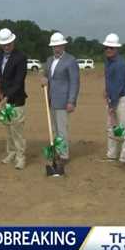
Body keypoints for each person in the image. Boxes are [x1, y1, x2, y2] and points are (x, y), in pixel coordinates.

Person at [41, 32, 80, 164]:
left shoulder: (70, 60)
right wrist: (44, 79)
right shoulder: (49, 60)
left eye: (58, 46)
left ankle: (64, 155)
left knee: (62, 130)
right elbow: (46, 75)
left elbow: (75, 82)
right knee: (54, 129)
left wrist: (71, 101)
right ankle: (57, 152)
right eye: (54, 46)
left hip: (63, 101)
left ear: (63, 45)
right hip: (51, 100)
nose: (56, 48)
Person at [0, 28, 28, 170]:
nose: (6, 47)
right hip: (3, 98)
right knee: (8, 127)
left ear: (13, 41)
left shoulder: (20, 57)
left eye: (8, 44)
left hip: (17, 99)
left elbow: (19, 82)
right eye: (3, 44)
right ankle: (11, 152)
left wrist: (7, 96)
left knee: (17, 129)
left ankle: (21, 157)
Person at [102, 33, 125, 165]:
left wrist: (112, 106)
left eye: (111, 48)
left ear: (116, 49)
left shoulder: (120, 64)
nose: (108, 50)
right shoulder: (108, 61)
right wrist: (106, 91)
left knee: (123, 127)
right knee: (111, 127)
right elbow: (110, 81)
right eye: (107, 47)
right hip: (112, 97)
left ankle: (124, 158)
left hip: (122, 98)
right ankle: (112, 155)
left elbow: (118, 86)